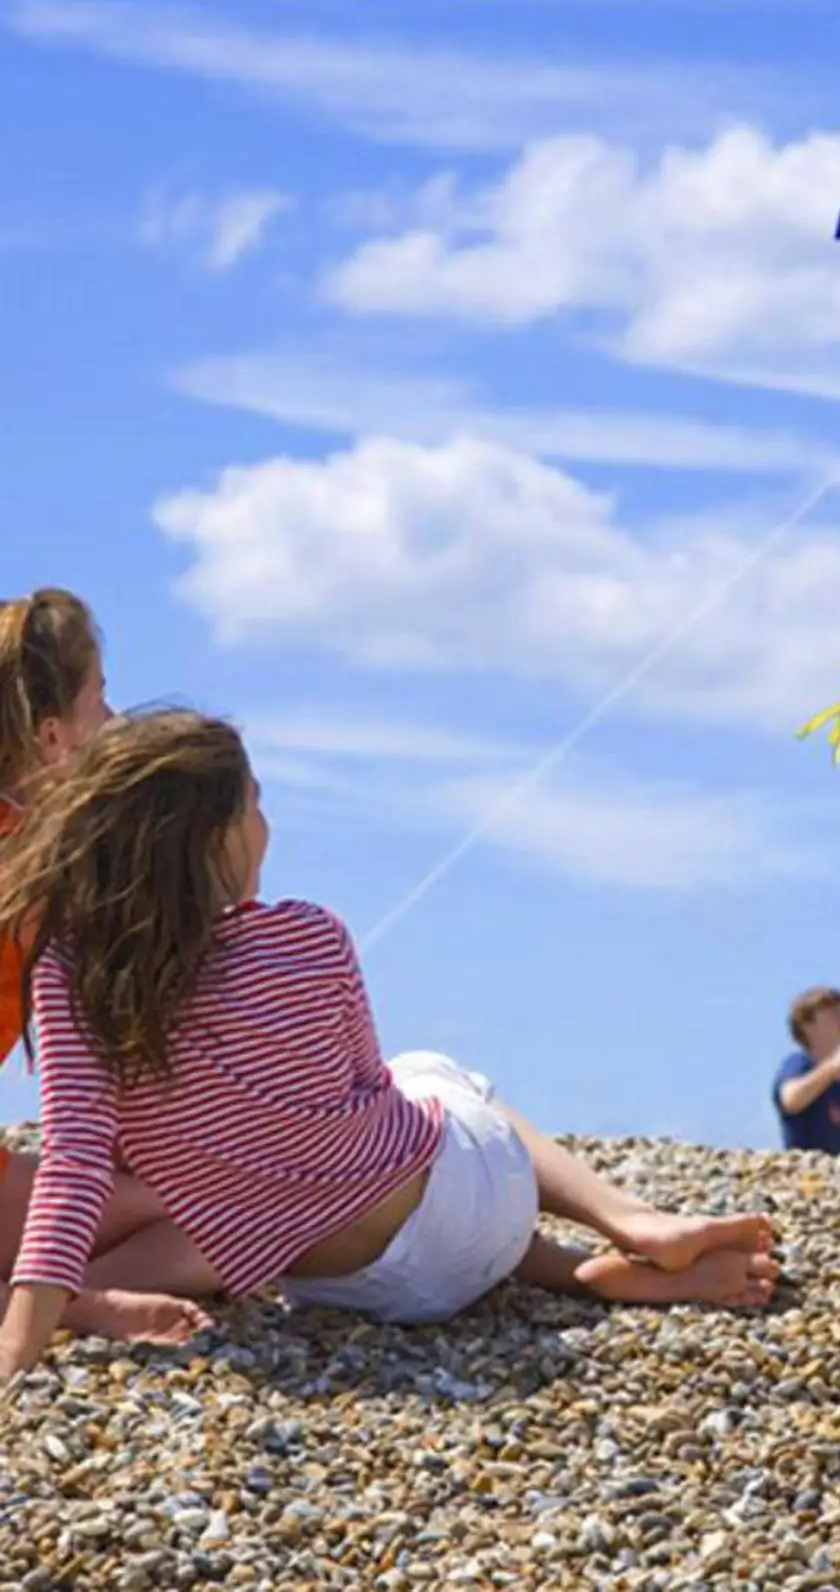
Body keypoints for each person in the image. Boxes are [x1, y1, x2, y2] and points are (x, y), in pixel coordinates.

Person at [0, 708, 779, 1380]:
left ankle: (575, 1269)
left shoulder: (71, 978)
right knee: (429, 1078)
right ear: (215, 839)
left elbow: (74, 1162)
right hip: (467, 1214)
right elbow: (367, 1095)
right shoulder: (310, 935)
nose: (267, 826)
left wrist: (20, 1347)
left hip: (368, 1291)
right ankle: (626, 1223)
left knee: (262, 1203)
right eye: (256, 805)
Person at [0, 590, 210, 1347]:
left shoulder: (33, 857)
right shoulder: (33, 870)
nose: (116, 722)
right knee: (192, 1211)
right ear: (53, 736)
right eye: (101, 699)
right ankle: (71, 1306)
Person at [773, 986, 840, 1154]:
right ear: (807, 1024)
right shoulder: (799, 1064)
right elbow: (790, 1099)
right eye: (834, 1015)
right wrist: (831, 1069)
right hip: (809, 1165)